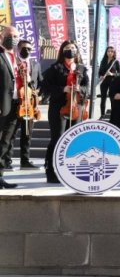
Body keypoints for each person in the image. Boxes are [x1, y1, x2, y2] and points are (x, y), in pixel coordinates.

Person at [41, 40, 90, 183]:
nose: (70, 50)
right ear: (62, 51)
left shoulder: (81, 69)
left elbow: (87, 88)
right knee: (57, 138)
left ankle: (71, 171)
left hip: (77, 107)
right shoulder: (55, 68)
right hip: (59, 107)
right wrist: (63, 89)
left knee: (75, 139)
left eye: (73, 48)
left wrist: (79, 89)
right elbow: (45, 87)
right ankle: (51, 171)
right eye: (67, 48)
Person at [5, 39, 43, 170]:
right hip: (16, 103)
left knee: (27, 134)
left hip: (29, 104)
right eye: (23, 48)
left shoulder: (35, 64)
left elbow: (40, 81)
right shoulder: (13, 62)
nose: (26, 50)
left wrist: (39, 93)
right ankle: (7, 160)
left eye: (29, 48)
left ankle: (25, 160)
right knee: (11, 134)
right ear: (18, 48)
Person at [0, 26, 21, 188]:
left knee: (5, 143)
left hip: (15, 106)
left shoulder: (18, 59)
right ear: (2, 36)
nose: (12, 38)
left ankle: (0, 176)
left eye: (15, 36)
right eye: (9, 35)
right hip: (2, 105)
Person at [97, 46, 120, 117]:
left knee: (112, 98)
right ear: (106, 52)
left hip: (112, 82)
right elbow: (100, 72)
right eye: (108, 51)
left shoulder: (116, 61)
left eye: (112, 51)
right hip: (104, 81)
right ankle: (102, 114)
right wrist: (100, 75)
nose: (110, 53)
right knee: (103, 98)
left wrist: (112, 74)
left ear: (114, 53)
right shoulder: (103, 60)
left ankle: (113, 115)